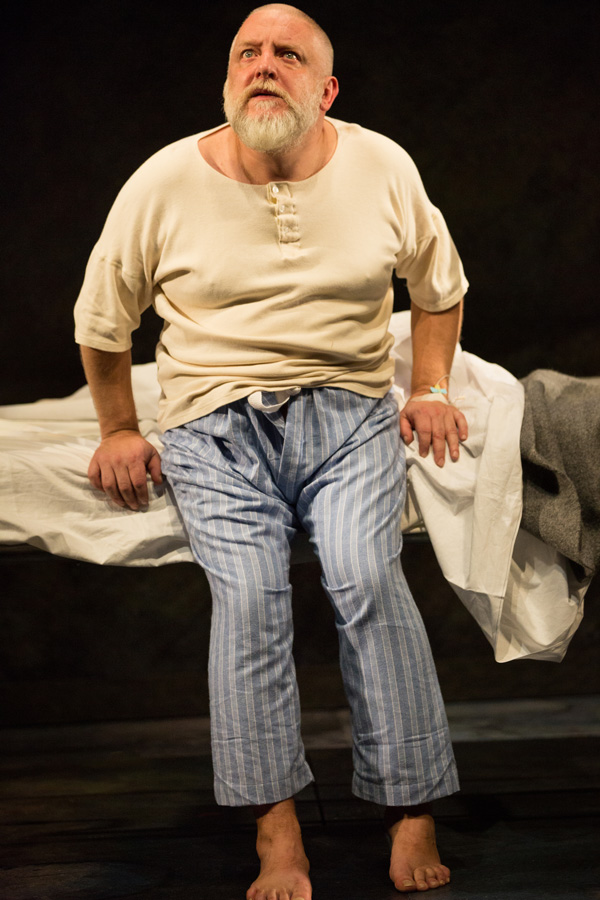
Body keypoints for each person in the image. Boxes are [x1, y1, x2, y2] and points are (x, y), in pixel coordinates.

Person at [74, 5, 469, 896]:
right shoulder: (164, 181)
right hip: (215, 425)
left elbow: (439, 287)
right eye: (246, 53)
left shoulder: (381, 165)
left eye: (287, 55)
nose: (263, 65)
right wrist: (118, 428)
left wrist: (431, 387)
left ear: (325, 90)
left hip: (349, 414)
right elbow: (102, 320)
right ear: (227, 79)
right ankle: (275, 827)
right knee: (250, 598)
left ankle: (411, 807)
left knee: (367, 577)